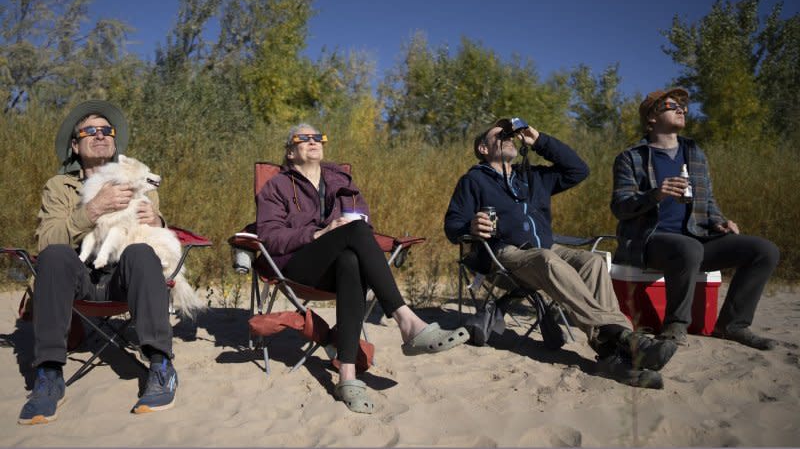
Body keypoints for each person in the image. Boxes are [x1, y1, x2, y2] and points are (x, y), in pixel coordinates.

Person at [444, 118, 677, 389]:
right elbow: (452, 226)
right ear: (483, 149)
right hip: (505, 255)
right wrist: (470, 225)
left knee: (592, 261)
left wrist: (539, 139)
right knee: (547, 259)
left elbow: (578, 170)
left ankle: (612, 352)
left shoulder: (531, 176)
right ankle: (623, 336)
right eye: (500, 135)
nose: (509, 137)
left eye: (511, 134)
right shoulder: (473, 180)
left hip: (546, 249)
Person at [256, 123, 469, 414]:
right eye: (302, 138)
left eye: (317, 136)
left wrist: (344, 229)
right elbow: (269, 236)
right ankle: (407, 322)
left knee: (351, 260)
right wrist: (318, 234)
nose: (313, 140)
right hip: (298, 265)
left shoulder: (341, 180)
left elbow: (363, 220)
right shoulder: (277, 186)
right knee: (355, 230)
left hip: (337, 265)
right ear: (290, 152)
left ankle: (346, 376)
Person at [18, 100, 178, 425]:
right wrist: (92, 210)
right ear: (75, 146)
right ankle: (49, 375)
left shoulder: (139, 182)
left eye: (107, 130)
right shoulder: (59, 187)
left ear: (115, 142)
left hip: (124, 277)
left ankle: (161, 365)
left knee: (142, 252)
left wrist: (158, 221)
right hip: (79, 279)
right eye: (90, 130)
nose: (100, 134)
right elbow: (47, 240)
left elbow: (155, 234)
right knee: (55, 254)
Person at [611, 87, 780, 349]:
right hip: (650, 242)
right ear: (651, 118)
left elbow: (707, 200)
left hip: (696, 238)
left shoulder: (694, 153)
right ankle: (676, 325)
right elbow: (620, 206)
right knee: (688, 248)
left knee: (764, 250)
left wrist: (720, 222)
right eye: (671, 105)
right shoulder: (631, 158)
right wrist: (656, 194)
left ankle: (733, 326)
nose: (681, 109)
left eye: (683, 107)